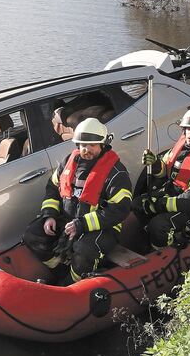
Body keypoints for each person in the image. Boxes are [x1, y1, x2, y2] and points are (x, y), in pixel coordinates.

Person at [23, 117, 132, 285]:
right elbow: (53, 187)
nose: (86, 149)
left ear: (103, 145)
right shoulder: (68, 162)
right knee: (33, 233)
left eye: (92, 145)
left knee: (84, 249)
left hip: (101, 228)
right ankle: (61, 270)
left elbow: (119, 210)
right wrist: (49, 215)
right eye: (82, 145)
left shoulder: (116, 173)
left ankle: (69, 284)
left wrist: (81, 224)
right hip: (68, 221)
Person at [135, 106, 190, 248]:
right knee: (138, 204)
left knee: (158, 226)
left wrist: (160, 205)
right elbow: (166, 171)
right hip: (175, 195)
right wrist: (155, 163)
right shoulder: (182, 148)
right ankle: (149, 236)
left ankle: (165, 248)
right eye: (188, 129)